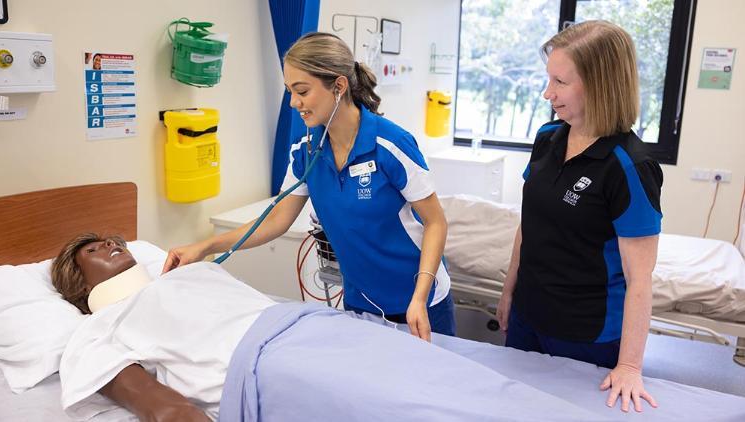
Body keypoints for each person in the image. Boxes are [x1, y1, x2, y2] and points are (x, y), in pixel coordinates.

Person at [51, 233, 607, 422]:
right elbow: (162, 408)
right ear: (80, 284)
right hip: (273, 361)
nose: (110, 242)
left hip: (311, 324)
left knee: (446, 376)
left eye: (112, 238)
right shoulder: (99, 329)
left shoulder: (188, 276)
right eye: (91, 249)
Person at [163, 32, 454, 340]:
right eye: (290, 91)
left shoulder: (390, 144)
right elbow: (276, 221)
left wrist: (420, 297)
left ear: (339, 86)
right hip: (361, 301)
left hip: (420, 300)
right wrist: (205, 246)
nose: (294, 102)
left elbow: (436, 222)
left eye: (302, 90)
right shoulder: (306, 152)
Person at [495, 20, 663, 413]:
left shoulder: (629, 165)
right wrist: (508, 291)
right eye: (547, 78)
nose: (547, 92)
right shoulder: (547, 138)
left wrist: (629, 365)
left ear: (600, 84)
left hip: (586, 333)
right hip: (527, 315)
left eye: (560, 82)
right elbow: (530, 222)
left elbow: (641, 279)